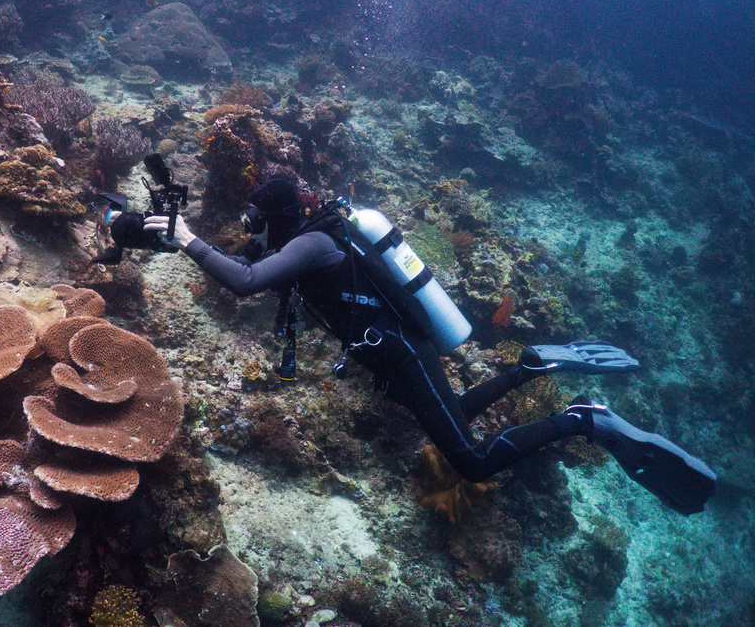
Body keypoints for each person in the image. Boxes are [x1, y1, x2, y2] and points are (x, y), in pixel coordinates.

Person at [142, 178, 716, 515]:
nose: (250, 229)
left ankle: (581, 421)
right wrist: (179, 240)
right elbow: (246, 266)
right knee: (457, 413)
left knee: (469, 460)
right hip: (399, 354)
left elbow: (244, 281)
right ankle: (530, 367)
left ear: (275, 218)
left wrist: (188, 238)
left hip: (404, 354)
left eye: (254, 219)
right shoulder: (309, 242)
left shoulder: (311, 246)